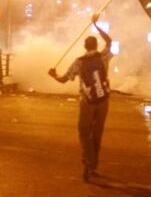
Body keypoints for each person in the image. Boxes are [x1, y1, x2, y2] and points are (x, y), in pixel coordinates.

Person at [48, 13, 113, 182]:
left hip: (87, 102)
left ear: (85, 46)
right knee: (97, 133)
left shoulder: (79, 62)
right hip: (103, 101)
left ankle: (88, 162)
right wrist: (96, 25)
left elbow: (63, 80)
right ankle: (93, 164)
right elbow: (109, 41)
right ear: (96, 45)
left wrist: (53, 75)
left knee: (84, 133)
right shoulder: (103, 57)